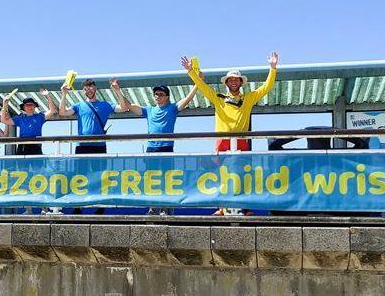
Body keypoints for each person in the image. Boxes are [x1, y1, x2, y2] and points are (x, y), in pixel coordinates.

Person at [181, 52, 279, 215]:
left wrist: (273, 68)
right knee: (221, 175)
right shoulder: (218, 97)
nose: (233, 81)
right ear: (227, 83)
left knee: (243, 174)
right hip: (222, 141)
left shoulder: (248, 98)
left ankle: (244, 208)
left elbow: (266, 88)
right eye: (230, 79)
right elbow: (203, 87)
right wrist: (191, 71)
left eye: (236, 79)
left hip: (241, 141)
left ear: (241, 82)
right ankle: (221, 208)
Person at [128, 84, 198, 215]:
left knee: (167, 179)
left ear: (167, 97)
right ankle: (153, 208)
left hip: (166, 147)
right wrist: (117, 90)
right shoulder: (149, 110)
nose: (157, 97)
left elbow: (187, 99)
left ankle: (166, 207)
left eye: (160, 94)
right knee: (152, 179)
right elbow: (130, 106)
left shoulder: (172, 108)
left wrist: (197, 83)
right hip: (151, 149)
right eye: (155, 94)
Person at [59, 78, 129, 154]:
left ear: (95, 88)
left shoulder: (106, 105)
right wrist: (64, 94)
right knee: (80, 167)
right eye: (86, 89)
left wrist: (117, 91)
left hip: (99, 146)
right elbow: (62, 112)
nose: (89, 91)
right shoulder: (79, 106)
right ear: (83, 91)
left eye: (91, 87)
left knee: (100, 167)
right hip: (82, 146)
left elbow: (123, 108)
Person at [0, 89, 56, 155]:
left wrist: (47, 95)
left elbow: (52, 111)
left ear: (35, 106)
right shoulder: (20, 118)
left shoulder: (40, 117)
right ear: (24, 107)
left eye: (31, 104)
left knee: (37, 165)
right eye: (27, 105)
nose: (29, 106)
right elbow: (4, 120)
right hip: (23, 145)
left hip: (36, 145)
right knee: (22, 165)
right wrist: (5, 104)